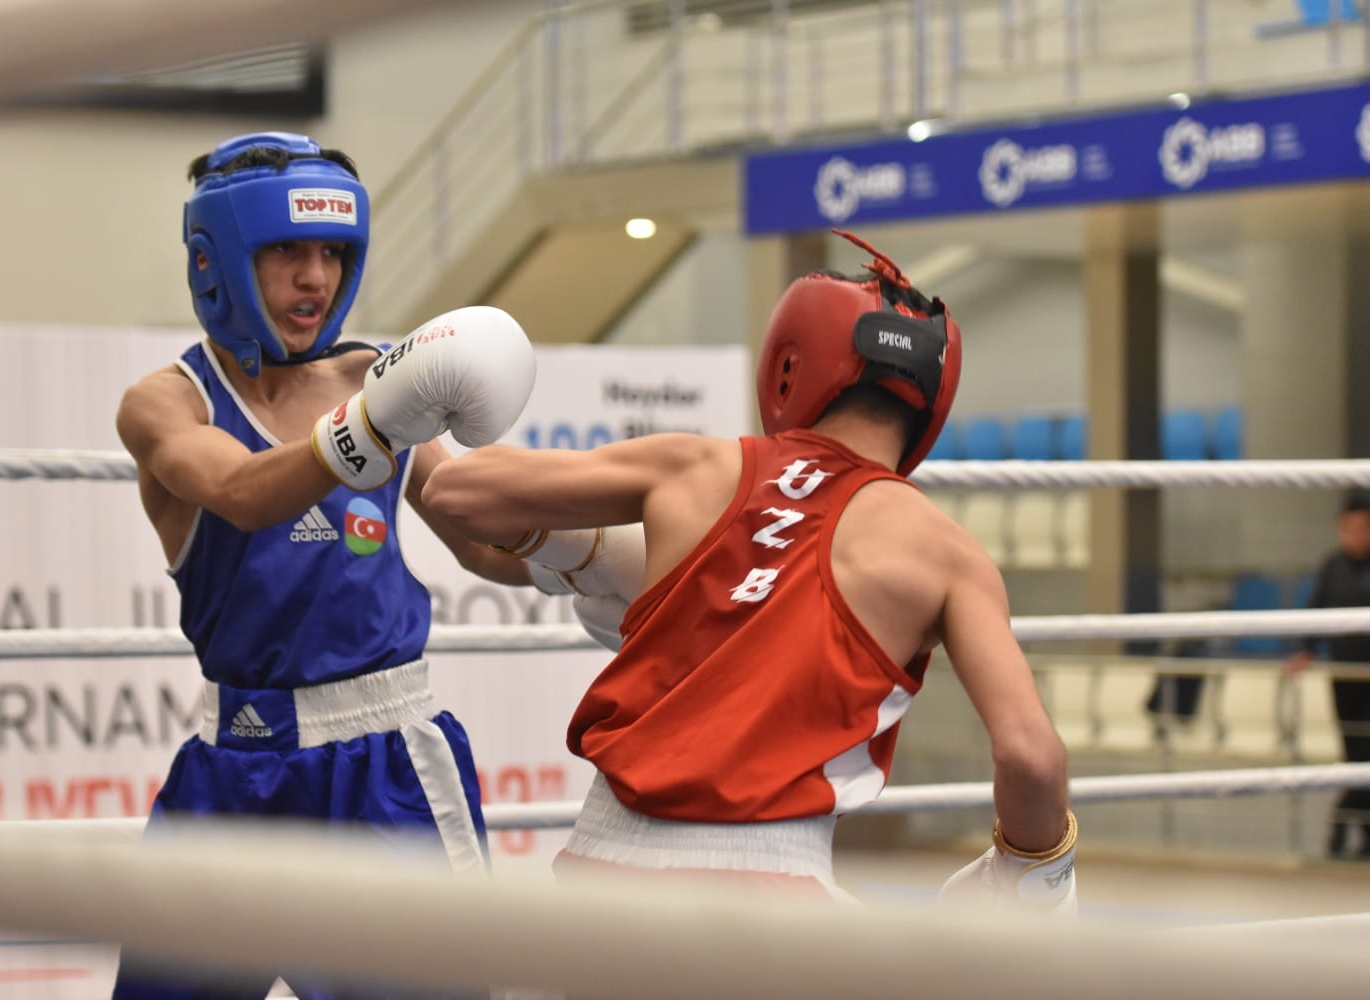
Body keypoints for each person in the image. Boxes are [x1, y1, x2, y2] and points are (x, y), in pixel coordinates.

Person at [422, 229, 1076, 910]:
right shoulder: (947, 553)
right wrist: (1036, 873)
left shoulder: (696, 467)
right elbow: (1032, 758)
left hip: (597, 875)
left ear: (791, 361)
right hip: (774, 895)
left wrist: (390, 414)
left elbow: (457, 494)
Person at [111, 131, 539, 999]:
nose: (316, 279)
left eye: (333, 254)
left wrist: (585, 553)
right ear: (217, 262)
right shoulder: (169, 402)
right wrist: (372, 424)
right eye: (286, 252)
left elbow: (477, 532)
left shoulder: (375, 378)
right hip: (230, 772)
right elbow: (238, 490)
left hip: (382, 767)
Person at [1284, 487, 1370, 860]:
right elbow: (1315, 610)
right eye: (1349, 528)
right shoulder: (1333, 565)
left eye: (1364, 528)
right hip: (1345, 679)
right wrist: (1306, 649)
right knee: (1355, 755)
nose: (1356, 536)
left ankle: (1341, 826)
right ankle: (1355, 834)